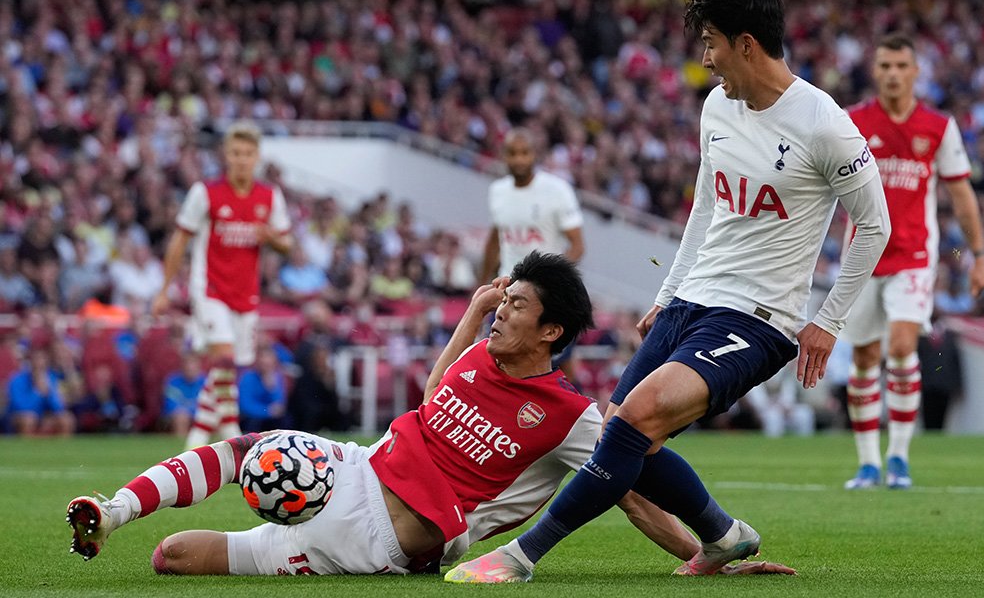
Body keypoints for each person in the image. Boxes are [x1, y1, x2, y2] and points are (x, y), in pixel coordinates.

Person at [445, 0, 891, 583]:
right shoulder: (718, 107)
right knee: (631, 437)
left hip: (759, 317)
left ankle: (522, 557)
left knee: (633, 418)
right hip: (693, 299)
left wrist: (827, 322)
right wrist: (668, 293)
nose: (704, 59)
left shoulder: (824, 125)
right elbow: (705, 210)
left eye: (709, 42)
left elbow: (875, 225)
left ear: (745, 44)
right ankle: (726, 537)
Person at [66, 252, 793, 577]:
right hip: (355, 465)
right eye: (502, 301)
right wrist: (472, 313)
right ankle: (114, 512)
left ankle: (727, 541)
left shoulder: (570, 417)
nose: (501, 312)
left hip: (380, 538)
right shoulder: (481, 355)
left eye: (516, 307)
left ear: (551, 333)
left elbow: (630, 490)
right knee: (207, 499)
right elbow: (433, 396)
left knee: (185, 554)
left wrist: (700, 557)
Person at [840, 33, 984, 490]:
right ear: (876, 70)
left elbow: (962, 194)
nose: (891, 74)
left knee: (902, 345)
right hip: (861, 257)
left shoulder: (937, 127)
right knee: (865, 356)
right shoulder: (852, 123)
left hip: (914, 255)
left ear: (915, 71)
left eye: (900, 66)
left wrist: (979, 256)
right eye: (884, 65)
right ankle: (868, 463)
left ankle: (899, 457)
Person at [152, 121, 292, 449]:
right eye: (235, 152)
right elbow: (179, 240)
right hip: (210, 288)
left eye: (247, 153)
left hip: (246, 294)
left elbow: (286, 243)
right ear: (225, 155)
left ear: (257, 156)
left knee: (227, 371)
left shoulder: (269, 197)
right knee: (225, 360)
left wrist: (270, 236)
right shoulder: (206, 193)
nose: (241, 159)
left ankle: (209, 441)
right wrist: (164, 289)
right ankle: (216, 443)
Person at [479, 128, 586, 381]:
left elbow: (577, 246)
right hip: (507, 291)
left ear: (534, 154)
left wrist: (553, 283)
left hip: (545, 297)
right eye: (513, 153)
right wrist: (481, 284)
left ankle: (584, 417)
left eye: (524, 153)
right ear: (503, 155)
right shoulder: (498, 191)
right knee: (497, 365)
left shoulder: (557, 190)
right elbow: (495, 240)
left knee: (559, 371)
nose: (519, 160)